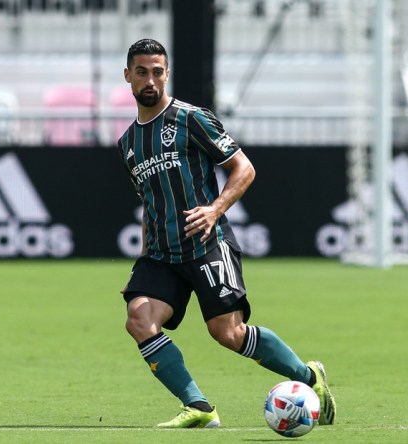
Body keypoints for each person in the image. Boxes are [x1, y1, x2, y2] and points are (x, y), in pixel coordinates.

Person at [116, 38, 336, 428]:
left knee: (228, 334)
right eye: (142, 72)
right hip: (161, 254)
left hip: (206, 244)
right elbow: (150, 202)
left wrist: (215, 209)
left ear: (166, 74)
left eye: (157, 71)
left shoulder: (191, 118)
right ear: (128, 76)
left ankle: (308, 377)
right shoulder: (128, 142)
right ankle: (199, 407)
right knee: (138, 318)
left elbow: (244, 169)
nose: (150, 79)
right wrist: (145, 252)